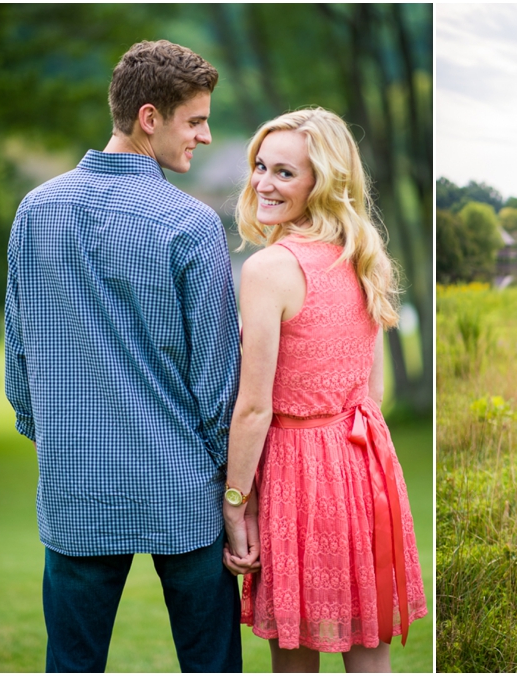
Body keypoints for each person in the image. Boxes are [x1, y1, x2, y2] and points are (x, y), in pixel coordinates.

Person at [3, 40, 242, 672]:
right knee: (211, 664)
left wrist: (57, 440)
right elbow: (218, 386)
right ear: (149, 118)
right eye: (195, 120)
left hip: (73, 488)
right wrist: (224, 477)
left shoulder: (35, 213)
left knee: (72, 664)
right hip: (183, 491)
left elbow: (19, 366)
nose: (207, 135)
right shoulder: (189, 225)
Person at [221, 108, 428, 673]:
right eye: (260, 166)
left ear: (323, 181)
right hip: (365, 465)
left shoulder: (269, 269)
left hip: (297, 472)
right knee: (370, 656)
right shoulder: (365, 258)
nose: (263, 182)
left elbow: (255, 405)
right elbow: (373, 391)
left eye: (285, 172)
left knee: (295, 660)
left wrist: (237, 501)